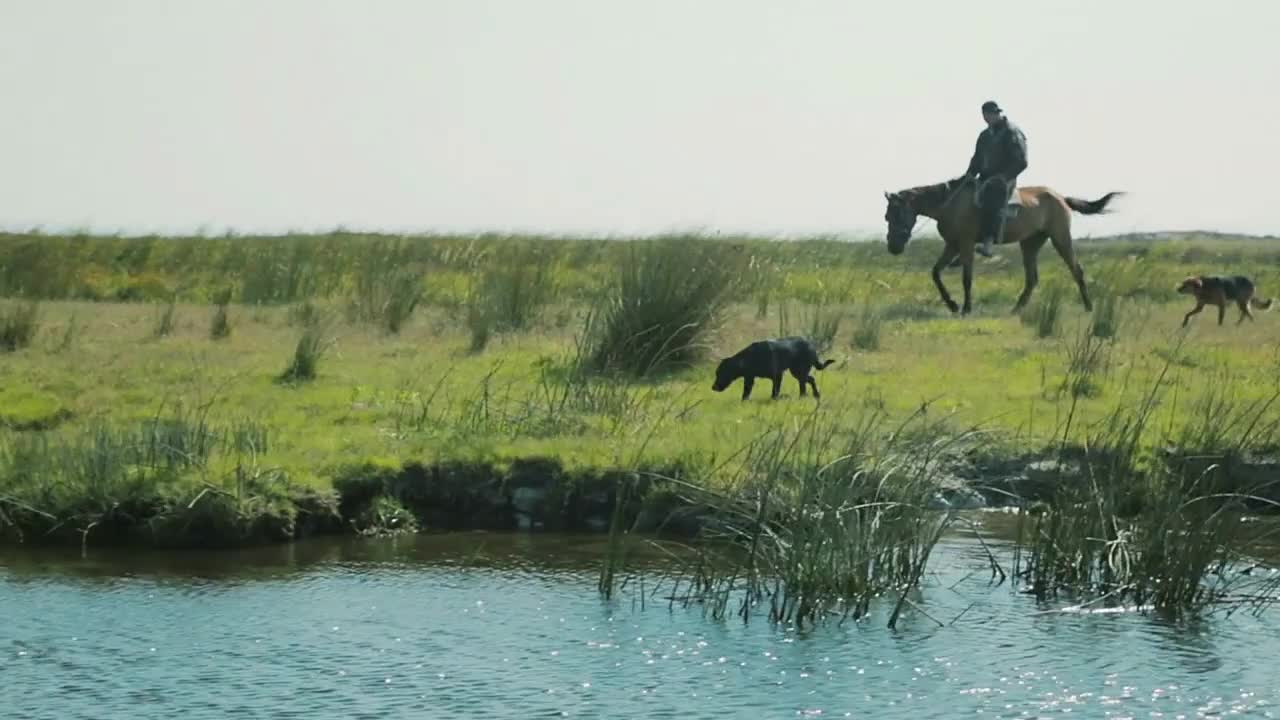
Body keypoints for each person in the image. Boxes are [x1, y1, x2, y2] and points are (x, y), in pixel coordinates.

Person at [964, 100, 1028, 258]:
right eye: (986, 115)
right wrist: (968, 176)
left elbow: (1021, 161)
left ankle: (988, 242)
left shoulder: (1011, 132)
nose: (989, 118)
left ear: (998, 114)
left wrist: (1003, 177)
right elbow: (977, 159)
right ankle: (964, 241)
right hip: (986, 178)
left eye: (993, 114)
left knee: (992, 198)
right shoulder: (984, 135)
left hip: (1004, 179)